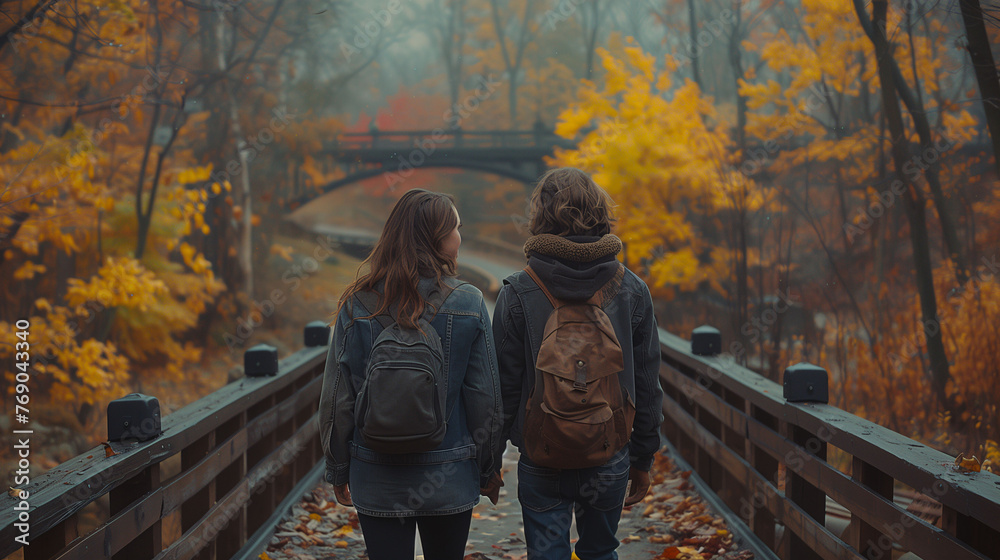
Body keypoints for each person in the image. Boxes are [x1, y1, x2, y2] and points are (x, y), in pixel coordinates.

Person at [319, 189, 504, 560]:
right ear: (438, 239)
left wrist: (339, 467)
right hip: (449, 474)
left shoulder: (357, 302)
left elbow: (337, 395)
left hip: (376, 475)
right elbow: (486, 398)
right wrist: (487, 467)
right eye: (456, 228)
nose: (459, 236)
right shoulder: (468, 302)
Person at [493, 168, 664, 560]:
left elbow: (503, 387)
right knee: (601, 552)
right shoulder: (632, 290)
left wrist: (489, 463)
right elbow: (647, 382)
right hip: (609, 450)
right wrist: (643, 457)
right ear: (600, 212)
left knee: (547, 554)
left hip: (541, 453)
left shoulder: (519, 291)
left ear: (540, 216)